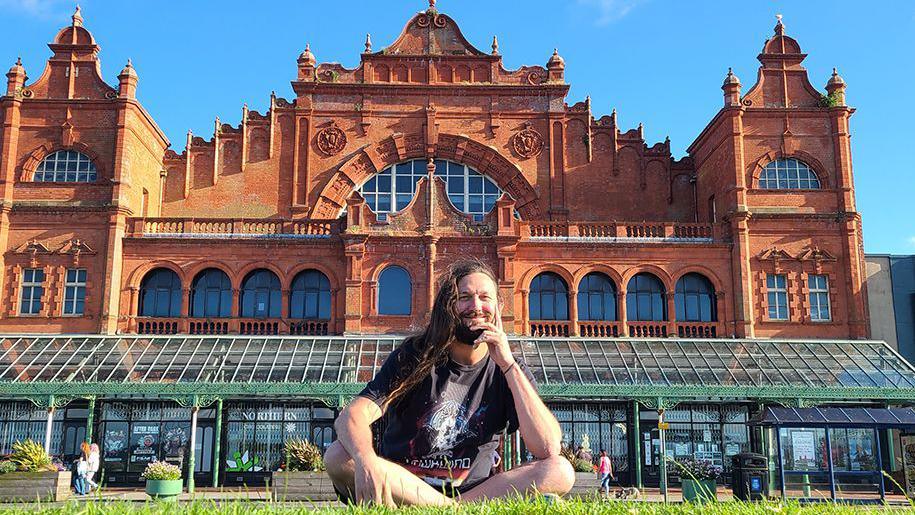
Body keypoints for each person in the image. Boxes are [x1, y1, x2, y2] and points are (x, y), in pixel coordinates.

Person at [326, 260, 575, 506]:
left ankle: (449, 508)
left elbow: (548, 447)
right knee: (338, 455)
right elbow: (352, 415)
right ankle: (452, 509)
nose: (476, 306)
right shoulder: (415, 355)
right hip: (406, 486)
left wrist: (507, 364)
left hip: (474, 491)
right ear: (448, 306)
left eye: (484, 297)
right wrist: (366, 459)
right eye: (464, 297)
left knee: (560, 469)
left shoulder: (509, 368)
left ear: (498, 306)